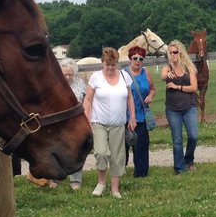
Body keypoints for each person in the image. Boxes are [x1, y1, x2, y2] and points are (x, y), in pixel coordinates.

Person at [83, 47, 135, 198]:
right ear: (102, 63)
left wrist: (132, 116)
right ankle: (101, 182)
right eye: (107, 64)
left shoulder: (125, 76)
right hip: (99, 122)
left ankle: (115, 188)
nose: (110, 68)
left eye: (113, 65)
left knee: (117, 156)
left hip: (118, 123)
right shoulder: (96, 78)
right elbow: (88, 99)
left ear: (117, 64)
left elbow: (130, 98)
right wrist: (87, 118)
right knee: (101, 152)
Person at [161, 39, 200, 174]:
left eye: (175, 52)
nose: (173, 55)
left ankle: (189, 159)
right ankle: (179, 168)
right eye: (170, 52)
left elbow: (194, 87)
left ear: (181, 52)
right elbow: (162, 76)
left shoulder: (189, 68)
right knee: (177, 139)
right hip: (173, 109)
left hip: (189, 107)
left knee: (193, 136)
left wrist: (177, 86)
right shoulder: (168, 67)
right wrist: (167, 75)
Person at [126, 46, 156, 177]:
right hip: (126, 115)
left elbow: (153, 88)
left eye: (140, 59)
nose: (137, 61)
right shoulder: (123, 73)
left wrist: (150, 96)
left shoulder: (146, 72)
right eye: (135, 58)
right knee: (124, 145)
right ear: (130, 59)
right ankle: (120, 170)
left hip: (142, 114)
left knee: (141, 146)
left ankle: (141, 173)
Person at [59, 59, 87, 191]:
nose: (67, 77)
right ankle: (55, 178)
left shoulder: (80, 83)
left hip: (76, 122)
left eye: (70, 74)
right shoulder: (55, 84)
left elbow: (85, 100)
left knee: (76, 151)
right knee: (58, 151)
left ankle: (75, 180)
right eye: (64, 74)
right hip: (59, 122)